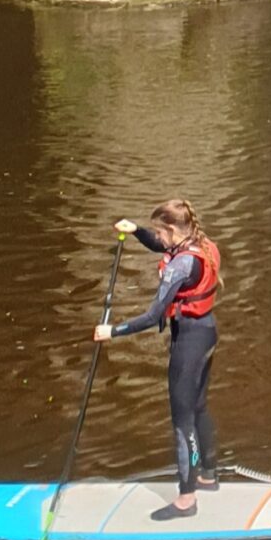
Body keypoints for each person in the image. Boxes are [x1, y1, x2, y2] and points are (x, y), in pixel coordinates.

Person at [92, 198, 223, 520]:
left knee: (182, 421)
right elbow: (161, 247)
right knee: (198, 407)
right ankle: (208, 475)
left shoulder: (181, 265)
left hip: (189, 342)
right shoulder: (201, 243)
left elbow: (153, 316)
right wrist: (135, 230)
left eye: (157, 232)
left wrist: (114, 331)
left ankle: (186, 500)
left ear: (171, 230)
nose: (157, 238)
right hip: (206, 333)